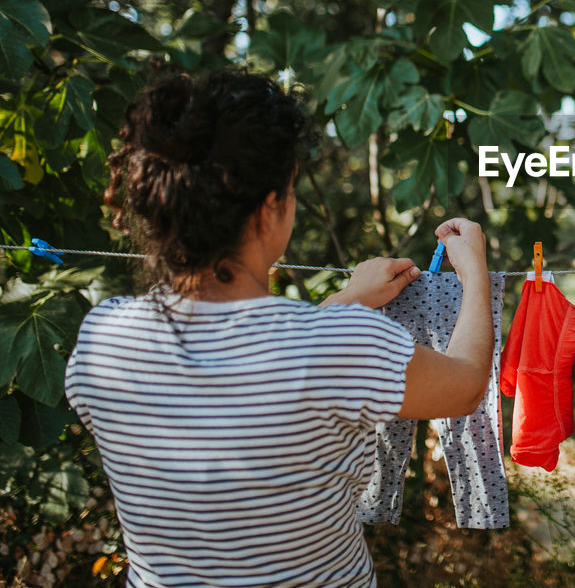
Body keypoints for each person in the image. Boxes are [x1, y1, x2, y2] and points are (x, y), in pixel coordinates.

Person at [63, 68, 494, 587]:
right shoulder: (341, 347)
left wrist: (348, 298)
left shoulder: (103, 339)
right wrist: (475, 275)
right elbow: (467, 383)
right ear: (269, 208)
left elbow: (248, 363)